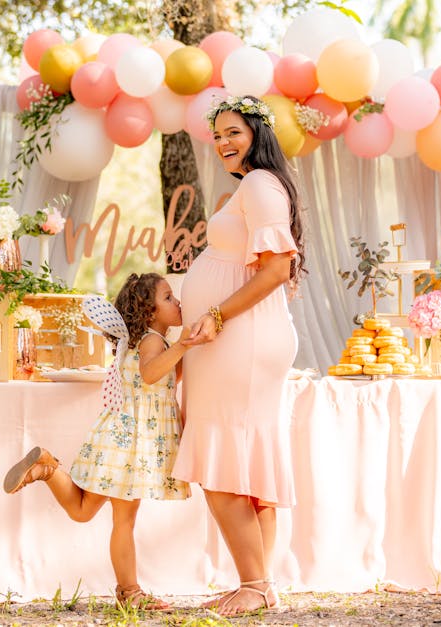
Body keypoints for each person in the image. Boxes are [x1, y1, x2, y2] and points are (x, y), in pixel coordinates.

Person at [172, 95, 306, 617]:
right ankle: (259, 583)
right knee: (246, 462)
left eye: (234, 133)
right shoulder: (252, 187)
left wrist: (218, 316)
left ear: (257, 133)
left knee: (224, 458)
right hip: (233, 340)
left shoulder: (258, 184)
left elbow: (276, 269)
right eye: (218, 135)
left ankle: (253, 582)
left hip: (239, 341)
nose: (223, 143)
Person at [2, 273, 192, 610]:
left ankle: (47, 468)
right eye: (168, 297)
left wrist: (184, 357)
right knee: (123, 521)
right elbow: (150, 374)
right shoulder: (153, 342)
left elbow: (160, 378)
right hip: (130, 443)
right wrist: (184, 345)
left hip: (121, 438)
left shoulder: (145, 343)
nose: (177, 302)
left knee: (83, 510)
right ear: (149, 313)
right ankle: (130, 593)